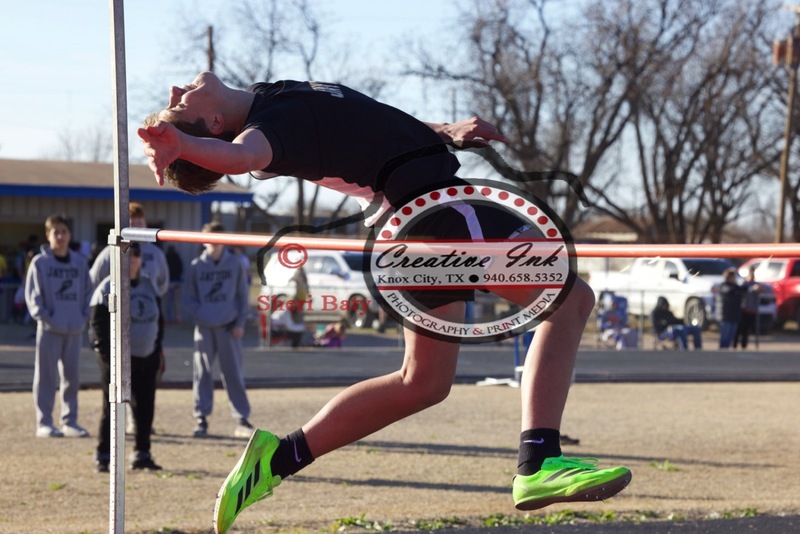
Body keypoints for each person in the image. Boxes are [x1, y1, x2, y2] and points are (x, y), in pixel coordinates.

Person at [138, 72, 631, 533]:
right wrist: (181, 143)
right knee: (569, 299)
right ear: (215, 124)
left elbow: (369, 127)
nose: (177, 88)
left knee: (423, 383)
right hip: (435, 216)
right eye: (178, 106)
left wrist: (442, 131)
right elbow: (241, 156)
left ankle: (278, 459)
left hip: (410, 229)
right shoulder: (271, 128)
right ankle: (540, 460)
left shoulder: (275, 97)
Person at [90, 243, 163, 472]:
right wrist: (110, 357)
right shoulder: (107, 286)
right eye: (127, 256)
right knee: (112, 406)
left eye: (135, 257)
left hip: (146, 356)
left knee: (145, 407)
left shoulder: (149, 285)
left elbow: (159, 321)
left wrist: (157, 349)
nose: (131, 261)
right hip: (117, 359)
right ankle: (104, 454)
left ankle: (142, 452)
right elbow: (98, 325)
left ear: (140, 260)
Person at [24, 214, 93, 438]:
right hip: (50, 330)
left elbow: (87, 293)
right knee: (45, 377)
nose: (60, 236)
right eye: (56, 232)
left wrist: (83, 317)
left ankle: (70, 421)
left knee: (72, 378)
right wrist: (46, 317)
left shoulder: (80, 263)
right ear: (48, 235)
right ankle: (44, 422)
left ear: (70, 235)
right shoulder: (40, 263)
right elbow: (33, 296)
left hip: (74, 329)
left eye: (64, 232)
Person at [183, 221, 254, 439]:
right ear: (203, 240)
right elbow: (187, 299)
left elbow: (243, 295)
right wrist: (202, 315)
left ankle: (241, 418)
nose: (214, 243)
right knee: (202, 373)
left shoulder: (235, 264)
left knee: (233, 374)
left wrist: (240, 322)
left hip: (228, 328)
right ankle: (201, 418)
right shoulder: (196, 266)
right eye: (209, 238)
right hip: (204, 328)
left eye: (218, 238)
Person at [717, 268, 745, 349]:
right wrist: (736, 288)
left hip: (735, 315)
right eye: (733, 277)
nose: (734, 278)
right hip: (726, 316)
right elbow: (729, 291)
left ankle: (727, 350)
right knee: (725, 335)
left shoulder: (736, 287)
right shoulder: (724, 286)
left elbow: (743, 289)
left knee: (731, 336)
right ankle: (722, 350)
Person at [734, 267, 761, 349]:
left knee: (746, 330)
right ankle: (734, 345)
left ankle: (743, 345)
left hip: (752, 310)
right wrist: (751, 289)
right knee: (739, 329)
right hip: (743, 310)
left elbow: (766, 289)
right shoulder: (744, 284)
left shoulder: (755, 284)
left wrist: (758, 288)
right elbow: (742, 290)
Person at [164, 245, 184, 323]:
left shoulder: (166, 257)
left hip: (169, 282)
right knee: (176, 301)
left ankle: (167, 318)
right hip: (176, 281)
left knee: (167, 302)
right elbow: (181, 269)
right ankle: (177, 317)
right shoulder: (177, 257)